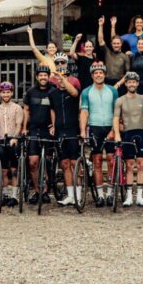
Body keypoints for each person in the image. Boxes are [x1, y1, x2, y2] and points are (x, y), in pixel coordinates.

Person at [80, 61, 119, 206]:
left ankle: (110, 193)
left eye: (101, 73)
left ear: (105, 74)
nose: (98, 75)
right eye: (96, 73)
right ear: (92, 76)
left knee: (110, 160)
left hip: (109, 126)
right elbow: (84, 112)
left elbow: (116, 111)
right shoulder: (86, 92)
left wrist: (114, 130)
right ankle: (100, 195)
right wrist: (83, 131)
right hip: (95, 128)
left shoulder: (112, 91)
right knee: (96, 162)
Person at [112, 71, 143, 207]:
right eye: (129, 82)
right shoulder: (120, 100)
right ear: (126, 84)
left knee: (141, 165)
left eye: (134, 82)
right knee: (129, 165)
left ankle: (139, 196)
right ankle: (128, 197)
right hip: (127, 134)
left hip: (141, 133)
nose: (132, 84)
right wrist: (117, 134)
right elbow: (116, 118)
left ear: (137, 83)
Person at [49, 57, 82, 207]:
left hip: (73, 130)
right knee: (65, 163)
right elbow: (53, 110)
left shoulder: (73, 90)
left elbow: (75, 93)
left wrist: (64, 80)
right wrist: (54, 126)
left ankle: (78, 195)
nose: (60, 80)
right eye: (58, 77)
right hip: (60, 131)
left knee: (75, 163)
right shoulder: (53, 94)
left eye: (64, 76)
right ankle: (70, 195)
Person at [23, 64, 56, 204]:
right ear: (37, 77)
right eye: (41, 75)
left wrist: (54, 126)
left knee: (47, 162)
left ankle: (46, 191)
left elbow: (54, 110)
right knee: (33, 162)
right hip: (34, 130)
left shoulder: (53, 91)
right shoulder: (30, 92)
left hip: (47, 130)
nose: (43, 77)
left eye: (45, 75)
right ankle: (38, 191)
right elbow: (26, 110)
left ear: (49, 77)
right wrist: (24, 127)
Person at [0, 81, 22, 207]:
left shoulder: (17, 108)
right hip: (2, 141)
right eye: (3, 92)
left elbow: (18, 124)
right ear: (0, 94)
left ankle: (14, 196)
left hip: (13, 140)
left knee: (14, 170)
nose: (5, 94)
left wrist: (15, 137)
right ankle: (4, 194)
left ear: (12, 93)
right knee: (4, 170)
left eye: (8, 92)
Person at [97, 16, 130, 88]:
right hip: (107, 83)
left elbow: (128, 74)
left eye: (118, 43)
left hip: (120, 84)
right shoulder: (107, 52)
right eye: (114, 43)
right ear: (111, 44)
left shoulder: (125, 56)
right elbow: (101, 40)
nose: (116, 45)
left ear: (121, 44)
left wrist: (118, 84)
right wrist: (100, 25)